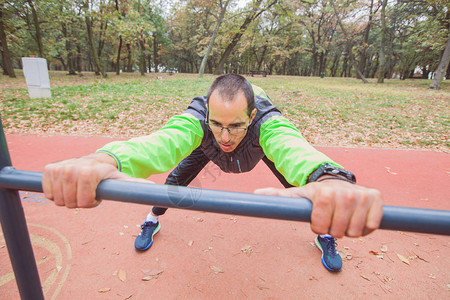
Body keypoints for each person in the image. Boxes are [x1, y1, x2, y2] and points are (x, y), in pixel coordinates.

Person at [43, 74, 383, 272]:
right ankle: (152, 218)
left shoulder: (267, 123)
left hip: (257, 151)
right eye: (216, 124)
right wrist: (106, 158)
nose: (224, 137)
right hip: (201, 152)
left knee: (306, 187)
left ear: (251, 118)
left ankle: (326, 233)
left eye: (235, 126)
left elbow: (293, 147)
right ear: (207, 113)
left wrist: (329, 178)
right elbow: (164, 140)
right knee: (174, 184)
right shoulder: (199, 119)